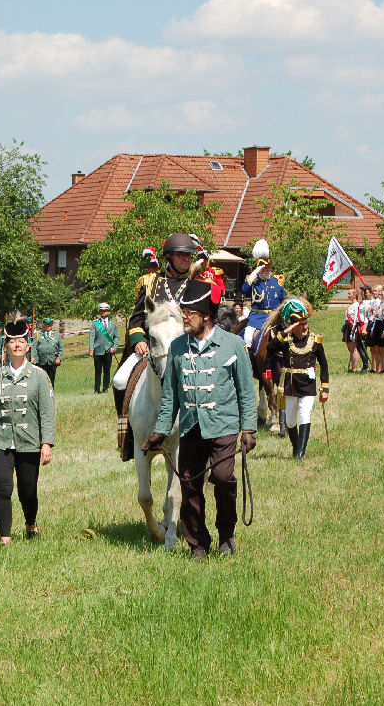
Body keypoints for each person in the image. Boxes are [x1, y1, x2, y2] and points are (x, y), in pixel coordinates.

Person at [143, 279, 257, 560]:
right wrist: (160, 431)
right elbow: (170, 396)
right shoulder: (178, 347)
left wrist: (249, 428)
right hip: (191, 426)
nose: (184, 317)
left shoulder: (233, 345)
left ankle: (226, 534)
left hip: (223, 425)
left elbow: (246, 390)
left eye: (189, 313)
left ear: (206, 316)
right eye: (183, 311)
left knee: (223, 479)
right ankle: (197, 544)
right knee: (190, 485)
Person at [0, 320, 56, 545]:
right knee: (2, 488)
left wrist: (46, 443)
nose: (17, 345)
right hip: (0, 440)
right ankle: (5, 538)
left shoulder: (40, 376)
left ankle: (31, 523)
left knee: (27, 491)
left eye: (21, 341)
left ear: (28, 345)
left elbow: (47, 412)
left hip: (29, 440)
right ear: (6, 346)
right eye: (12, 342)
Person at [114, 232, 199, 409]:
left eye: (189, 255)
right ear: (169, 257)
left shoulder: (197, 284)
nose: (187, 258)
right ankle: (125, 422)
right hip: (153, 347)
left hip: (189, 347)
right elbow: (137, 317)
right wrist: (139, 340)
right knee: (119, 380)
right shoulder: (151, 283)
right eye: (181, 255)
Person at [264, 299, 329, 460]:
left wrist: (325, 388)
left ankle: (300, 454)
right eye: (301, 325)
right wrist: (286, 331)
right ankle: (296, 447)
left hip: (307, 384)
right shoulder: (286, 341)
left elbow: (324, 365)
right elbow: (270, 348)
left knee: (305, 415)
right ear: (294, 326)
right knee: (291, 422)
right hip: (290, 385)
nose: (305, 327)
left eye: (306, 324)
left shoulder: (315, 341)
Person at [241, 256, 287, 351]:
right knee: (248, 337)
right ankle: (249, 357)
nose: (267, 270)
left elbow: (284, 299)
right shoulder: (254, 281)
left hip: (275, 317)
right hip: (257, 317)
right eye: (264, 268)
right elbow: (244, 290)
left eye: (269, 267)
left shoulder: (277, 281)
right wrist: (253, 275)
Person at [90, 303, 118, 394]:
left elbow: (116, 337)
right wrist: (91, 349)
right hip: (98, 350)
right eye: (102, 310)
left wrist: (114, 347)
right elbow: (92, 337)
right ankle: (96, 389)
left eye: (105, 310)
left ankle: (105, 388)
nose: (103, 312)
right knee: (98, 371)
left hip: (108, 350)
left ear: (108, 311)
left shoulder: (113, 324)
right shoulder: (95, 323)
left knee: (107, 370)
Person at [32, 317, 63, 386]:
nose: (47, 326)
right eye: (46, 324)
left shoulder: (57, 335)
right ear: (43, 325)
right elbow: (34, 347)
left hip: (52, 361)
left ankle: (51, 392)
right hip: (41, 361)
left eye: (49, 325)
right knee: (41, 380)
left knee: (51, 380)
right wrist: (33, 357)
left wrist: (59, 358)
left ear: (52, 325)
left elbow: (60, 348)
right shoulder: (38, 334)